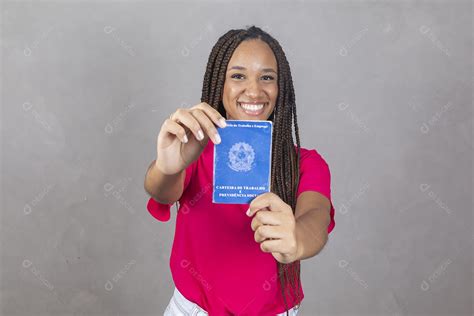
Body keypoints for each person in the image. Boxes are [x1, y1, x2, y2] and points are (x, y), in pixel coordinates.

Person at [144, 25, 336, 316]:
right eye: (237, 75)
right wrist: (168, 167)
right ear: (218, 84)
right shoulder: (195, 148)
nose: (254, 90)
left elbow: (316, 219)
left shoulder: (305, 163)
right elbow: (160, 189)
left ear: (280, 88)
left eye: (267, 77)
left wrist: (297, 239)